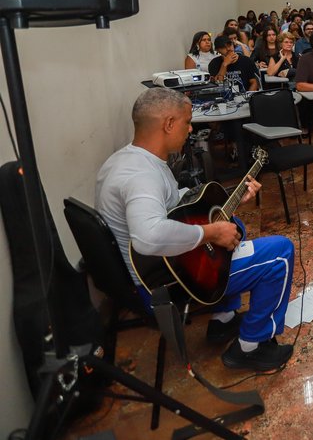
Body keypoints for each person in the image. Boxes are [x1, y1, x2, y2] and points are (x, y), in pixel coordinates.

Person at [96, 88, 294, 371]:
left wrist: (230, 199)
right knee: (280, 253)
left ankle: (223, 319)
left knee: (233, 226)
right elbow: (148, 236)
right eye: (187, 122)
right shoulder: (141, 176)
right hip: (164, 283)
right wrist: (211, 234)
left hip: (156, 268)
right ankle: (251, 347)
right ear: (168, 124)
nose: (191, 129)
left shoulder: (129, 159)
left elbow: (175, 205)